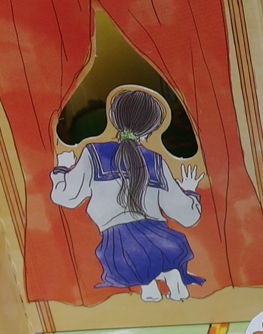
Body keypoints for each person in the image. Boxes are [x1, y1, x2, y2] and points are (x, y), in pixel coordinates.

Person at [50, 89, 205, 302]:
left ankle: (151, 287)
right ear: (152, 129)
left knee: (136, 268)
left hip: (120, 243)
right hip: (161, 238)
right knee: (157, 260)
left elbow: (66, 197)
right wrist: (189, 190)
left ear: (113, 117)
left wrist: (62, 169)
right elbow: (186, 215)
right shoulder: (156, 161)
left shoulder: (94, 154)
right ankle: (171, 277)